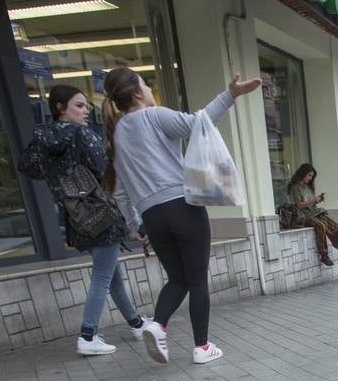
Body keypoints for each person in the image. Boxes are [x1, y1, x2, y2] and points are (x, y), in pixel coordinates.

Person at [103, 66, 261, 365]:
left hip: (152, 217)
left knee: (177, 278)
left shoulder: (118, 134)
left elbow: (121, 192)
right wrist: (231, 95)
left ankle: (157, 325)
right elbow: (199, 124)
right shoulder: (154, 115)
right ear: (137, 93)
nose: (150, 89)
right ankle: (201, 347)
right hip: (182, 206)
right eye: (145, 84)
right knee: (197, 278)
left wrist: (136, 224)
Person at [19, 84, 146, 356]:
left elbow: (28, 166)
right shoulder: (82, 136)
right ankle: (88, 335)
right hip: (102, 213)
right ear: (60, 108)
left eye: (86, 105)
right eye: (79, 105)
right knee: (102, 276)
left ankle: (136, 324)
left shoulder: (41, 139)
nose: (86, 110)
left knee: (112, 276)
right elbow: (108, 172)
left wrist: (62, 178)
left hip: (77, 218)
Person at [287, 164, 338, 268]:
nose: (310, 178)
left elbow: (310, 203)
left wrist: (318, 200)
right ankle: (324, 255)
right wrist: (314, 200)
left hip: (314, 213)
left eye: (312, 176)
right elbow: (299, 205)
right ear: (302, 173)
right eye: (309, 175)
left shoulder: (308, 187)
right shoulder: (295, 187)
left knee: (335, 226)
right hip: (303, 216)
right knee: (321, 226)